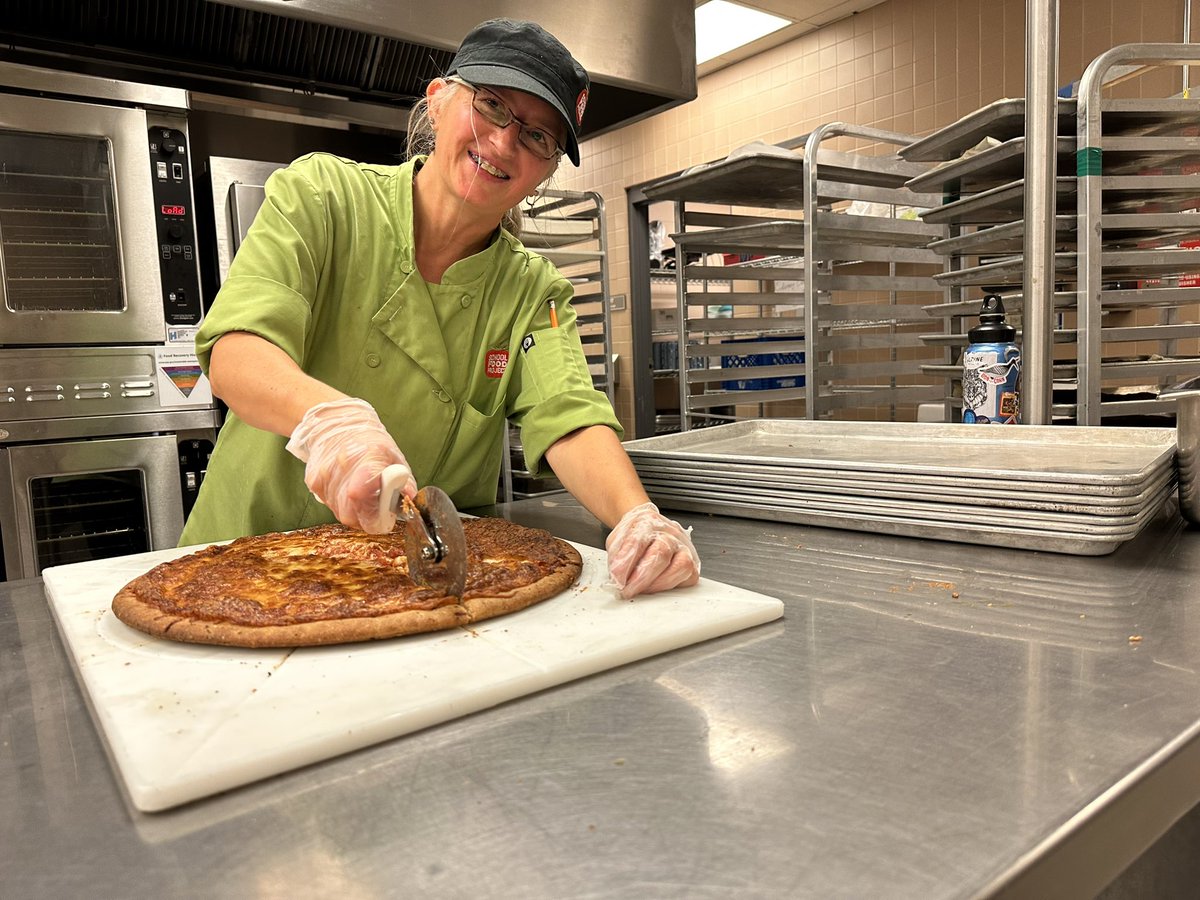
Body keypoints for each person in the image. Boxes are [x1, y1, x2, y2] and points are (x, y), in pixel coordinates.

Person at [180, 18, 699, 599]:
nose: (504, 141)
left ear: (545, 172)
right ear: (437, 102)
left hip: (413, 585)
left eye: (537, 138)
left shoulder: (532, 290)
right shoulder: (323, 196)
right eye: (493, 105)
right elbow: (236, 350)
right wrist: (332, 422)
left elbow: (569, 415)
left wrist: (638, 518)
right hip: (244, 570)